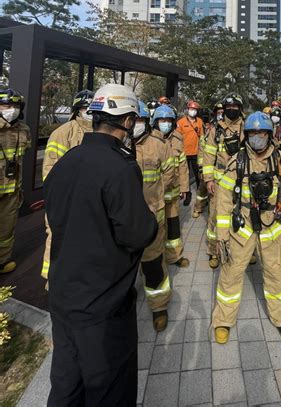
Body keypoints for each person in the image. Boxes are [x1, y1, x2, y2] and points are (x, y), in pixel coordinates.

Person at [44, 83, 158, 406]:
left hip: (64, 300)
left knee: (66, 388)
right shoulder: (120, 170)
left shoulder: (65, 163)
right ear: (126, 122)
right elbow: (138, 234)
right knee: (110, 392)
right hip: (103, 310)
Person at [212, 111, 281, 344]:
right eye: (252, 133)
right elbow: (223, 200)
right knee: (230, 275)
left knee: (275, 275)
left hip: (272, 229)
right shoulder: (238, 161)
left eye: (261, 133)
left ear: (269, 134)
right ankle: (223, 320)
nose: (257, 138)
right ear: (246, 136)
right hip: (242, 230)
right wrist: (222, 236)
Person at [41, 89, 94, 281]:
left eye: (92, 107)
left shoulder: (100, 131)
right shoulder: (63, 133)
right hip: (65, 200)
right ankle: (52, 280)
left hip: (89, 200)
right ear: (77, 109)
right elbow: (50, 170)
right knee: (58, 238)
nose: (89, 111)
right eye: (85, 107)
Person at [134, 101, 171, 332]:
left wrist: (155, 195)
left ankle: (159, 306)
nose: (135, 124)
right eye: (132, 119)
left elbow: (168, 172)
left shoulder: (158, 145)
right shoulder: (118, 144)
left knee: (153, 263)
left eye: (139, 120)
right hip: (122, 218)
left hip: (151, 214)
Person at [202, 93, 246, 269]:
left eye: (236, 107)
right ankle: (214, 251)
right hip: (219, 183)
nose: (232, 110)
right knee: (215, 217)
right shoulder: (216, 129)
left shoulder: (247, 128)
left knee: (244, 216)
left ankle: (244, 250)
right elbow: (208, 155)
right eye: (229, 107)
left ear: (240, 108)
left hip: (242, 180)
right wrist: (208, 180)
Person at [152, 104, 190, 267]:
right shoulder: (149, 140)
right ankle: (155, 258)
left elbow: (182, 166)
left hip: (172, 193)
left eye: (168, 120)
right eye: (162, 120)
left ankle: (175, 256)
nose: (165, 123)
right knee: (155, 229)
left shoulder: (177, 139)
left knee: (173, 228)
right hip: (153, 197)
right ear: (155, 122)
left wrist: (185, 188)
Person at [0, 87, 30, 274]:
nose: (11, 109)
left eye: (14, 105)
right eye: (5, 106)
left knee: (6, 230)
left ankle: (2, 261)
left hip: (11, 191)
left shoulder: (23, 130)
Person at [176, 100, 204, 201]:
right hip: (184, 154)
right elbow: (178, 138)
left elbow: (202, 137)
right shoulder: (180, 122)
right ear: (188, 109)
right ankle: (187, 194)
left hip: (196, 153)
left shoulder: (200, 122)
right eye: (191, 109)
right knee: (185, 175)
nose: (193, 111)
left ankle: (200, 193)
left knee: (198, 175)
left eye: (195, 110)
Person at [192, 108, 213, 219]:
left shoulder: (217, 134)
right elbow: (201, 153)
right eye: (206, 125)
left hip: (215, 167)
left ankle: (211, 209)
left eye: (209, 125)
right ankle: (198, 208)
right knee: (202, 189)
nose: (207, 127)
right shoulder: (203, 137)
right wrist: (201, 168)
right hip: (205, 165)